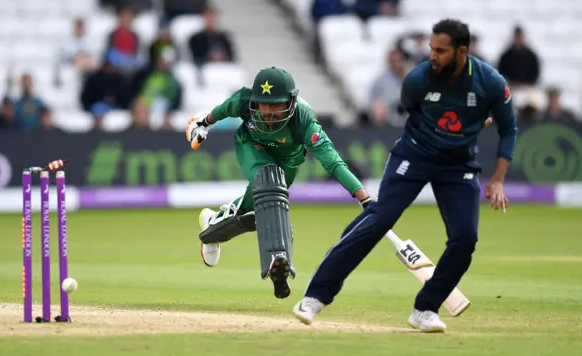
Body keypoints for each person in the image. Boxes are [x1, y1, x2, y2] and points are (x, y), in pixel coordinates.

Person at [293, 19, 518, 333]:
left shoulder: (490, 82)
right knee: (381, 219)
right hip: (414, 155)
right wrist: (461, 127)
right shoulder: (419, 78)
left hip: (458, 165)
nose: (433, 56)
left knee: (465, 238)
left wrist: (497, 180)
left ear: (462, 51)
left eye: (441, 50)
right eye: (431, 48)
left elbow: (509, 129)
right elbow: (412, 110)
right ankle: (316, 297)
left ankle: (425, 308)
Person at [185, 66, 371, 299]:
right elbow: (216, 114)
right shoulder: (244, 99)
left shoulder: (304, 119)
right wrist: (202, 124)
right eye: (264, 105)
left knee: (253, 210)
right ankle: (277, 260)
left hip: (288, 162)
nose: (270, 112)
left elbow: (333, 163)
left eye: (277, 105)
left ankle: (212, 228)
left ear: (291, 101)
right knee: (268, 180)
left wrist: (365, 198)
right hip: (251, 145)